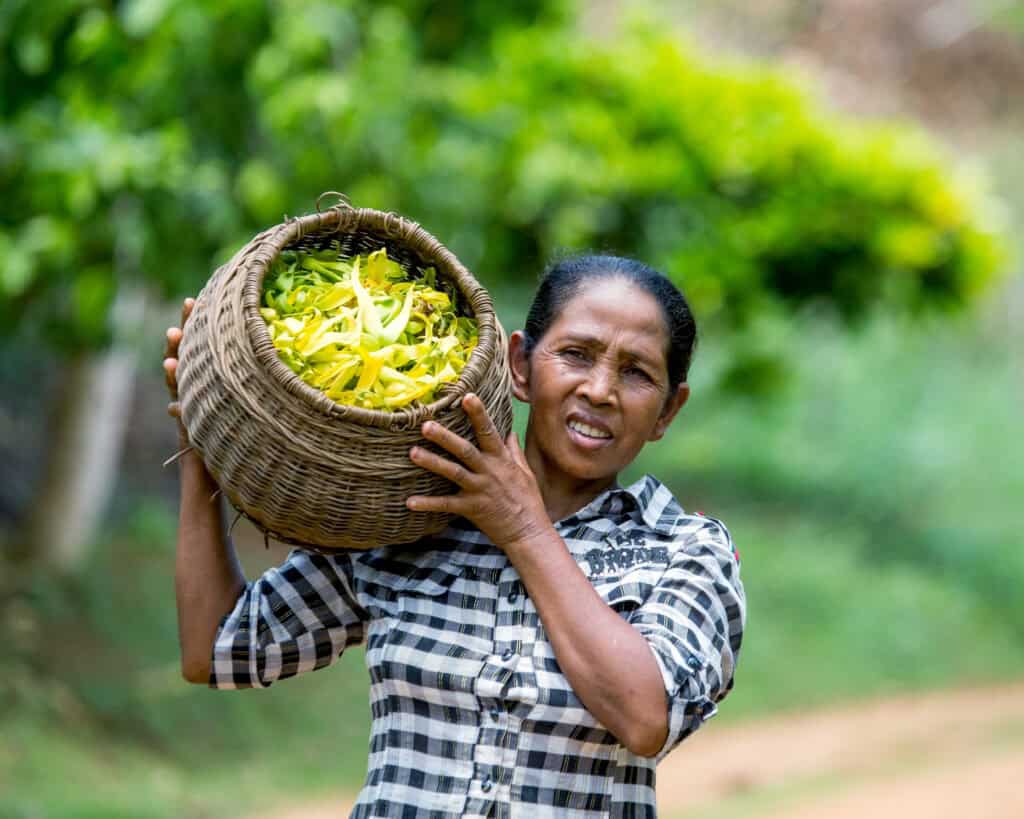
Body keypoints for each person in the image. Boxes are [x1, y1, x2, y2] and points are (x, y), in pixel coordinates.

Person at [163, 254, 746, 818]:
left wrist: (521, 526)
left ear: (669, 410)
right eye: (575, 355)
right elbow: (217, 649)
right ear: (520, 365)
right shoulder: (415, 513)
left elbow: (645, 718)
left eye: (637, 373)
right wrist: (200, 445)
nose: (599, 390)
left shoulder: (686, 552)